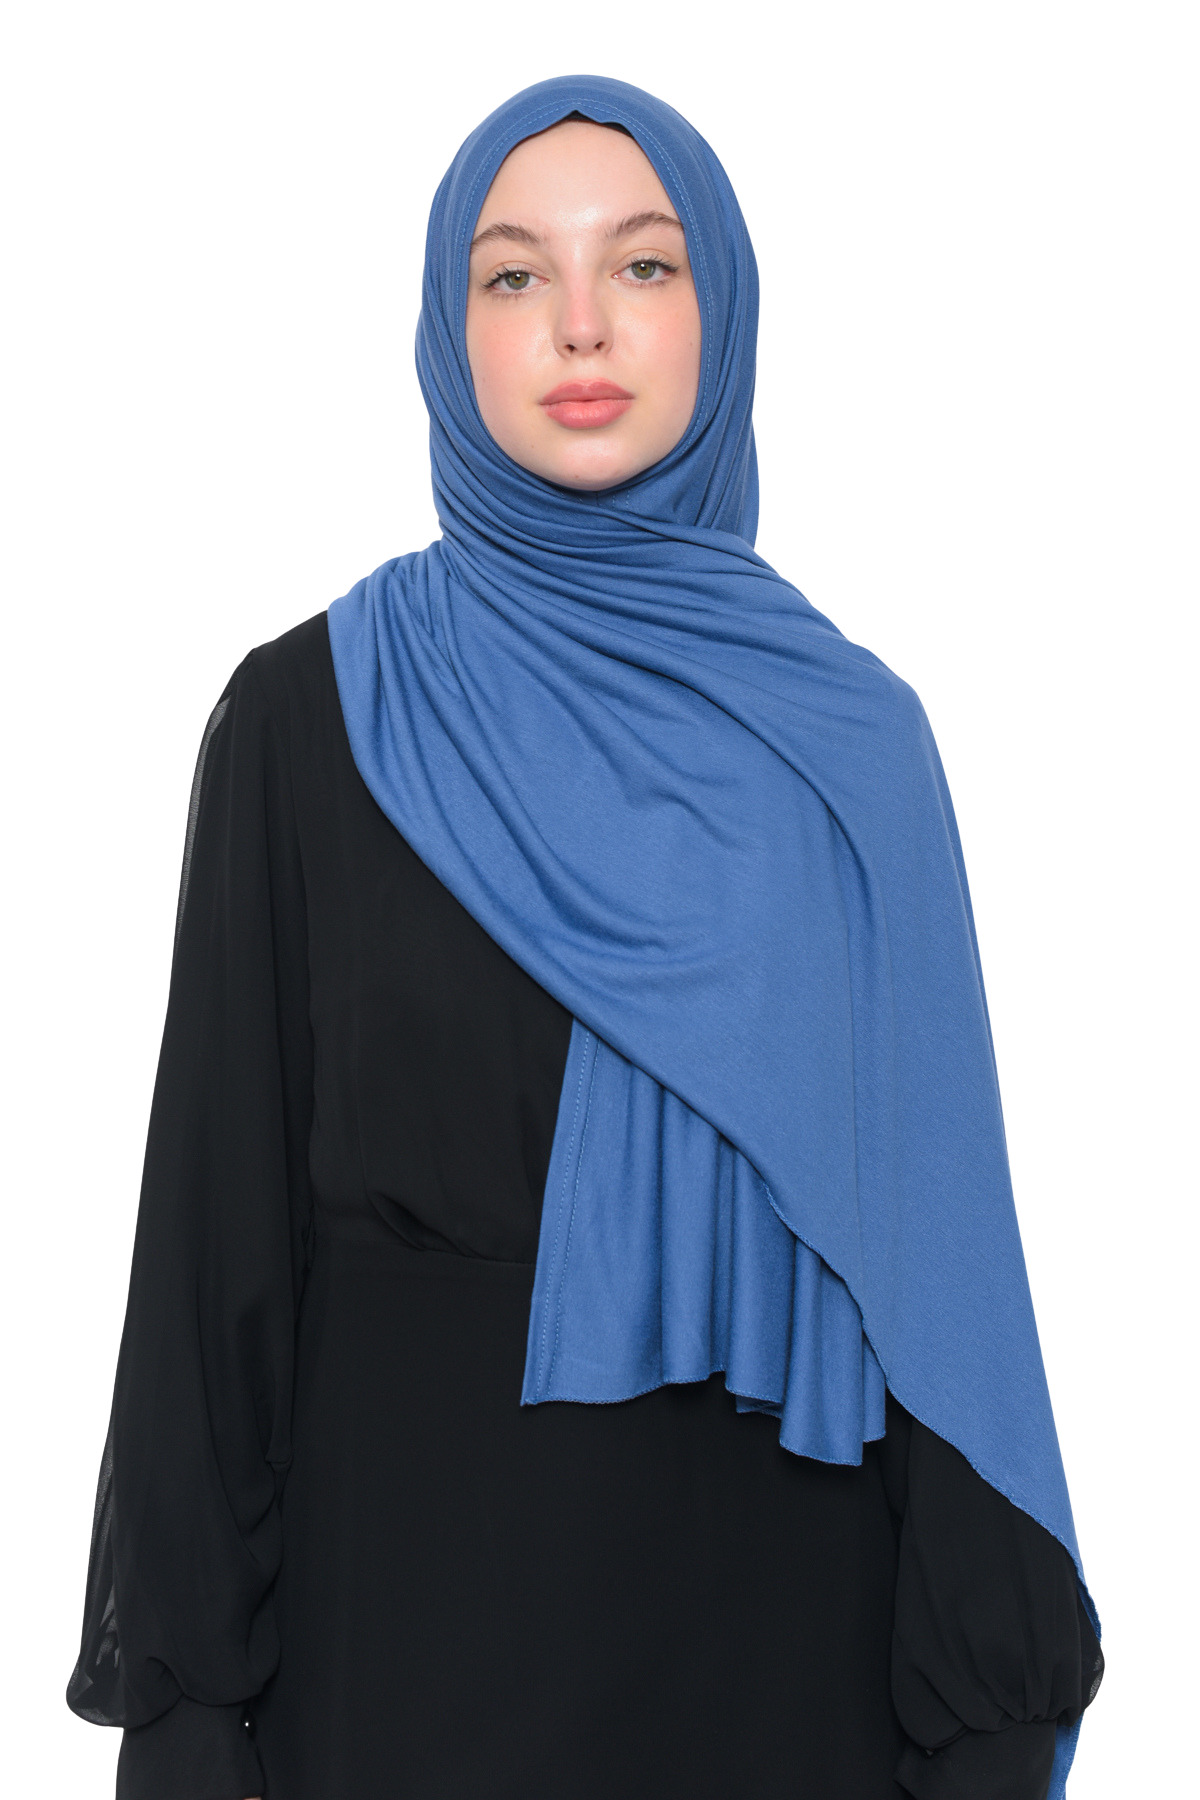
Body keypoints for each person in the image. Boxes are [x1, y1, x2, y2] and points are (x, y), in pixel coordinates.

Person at [66, 76, 1103, 1800]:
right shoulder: (311, 721)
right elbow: (212, 1256)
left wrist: (985, 1728)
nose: (579, 326)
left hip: (783, 1684)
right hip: (391, 1682)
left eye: (641, 265)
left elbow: (944, 1276)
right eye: (512, 275)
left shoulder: (850, 750)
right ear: (447, 330)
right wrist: (181, 1716)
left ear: (724, 312)